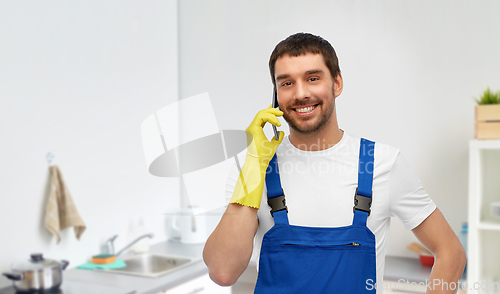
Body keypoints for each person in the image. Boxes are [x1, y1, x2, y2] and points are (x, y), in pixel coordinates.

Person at [203, 32, 466, 293]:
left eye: (313, 78)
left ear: (337, 83)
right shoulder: (253, 168)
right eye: (286, 83)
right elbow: (223, 271)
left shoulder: (382, 163)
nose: (300, 93)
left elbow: (450, 252)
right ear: (276, 95)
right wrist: (253, 167)